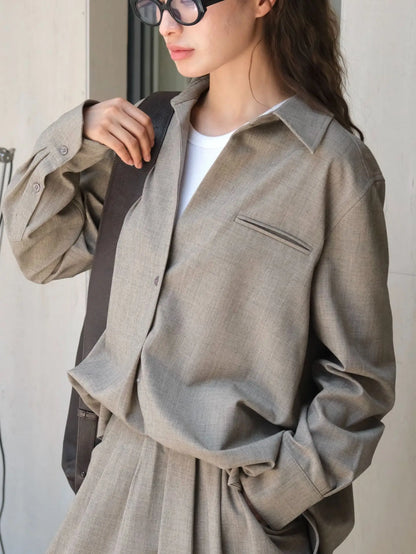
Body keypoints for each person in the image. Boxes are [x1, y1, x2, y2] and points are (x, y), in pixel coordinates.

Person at [2, 0, 395, 552]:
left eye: (187, 2)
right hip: (112, 480)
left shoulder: (330, 167)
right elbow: (38, 251)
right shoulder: (150, 134)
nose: (167, 23)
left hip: (229, 504)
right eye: (156, 4)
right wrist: (76, 134)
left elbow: (358, 381)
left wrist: (270, 501)